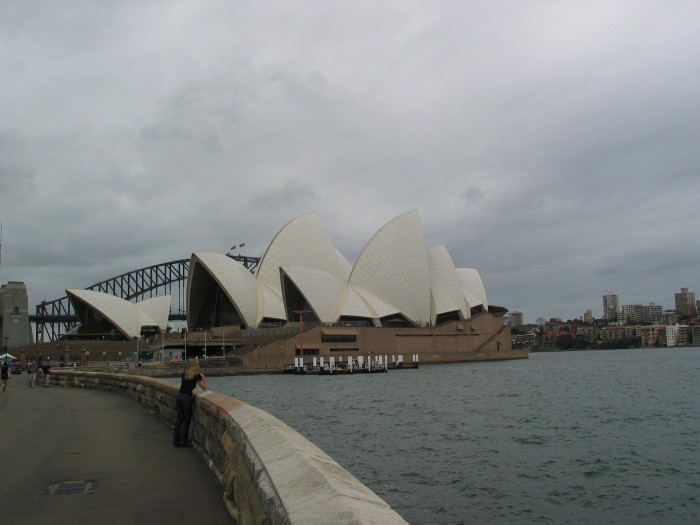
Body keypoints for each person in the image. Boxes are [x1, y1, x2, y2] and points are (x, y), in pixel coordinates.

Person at [173, 359, 207, 447]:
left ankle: (175, 442)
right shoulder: (197, 376)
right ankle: (183, 442)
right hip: (186, 399)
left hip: (179, 396)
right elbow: (204, 387)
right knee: (186, 421)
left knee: (179, 420)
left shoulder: (184, 374)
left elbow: (185, 386)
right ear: (196, 366)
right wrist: (203, 377)